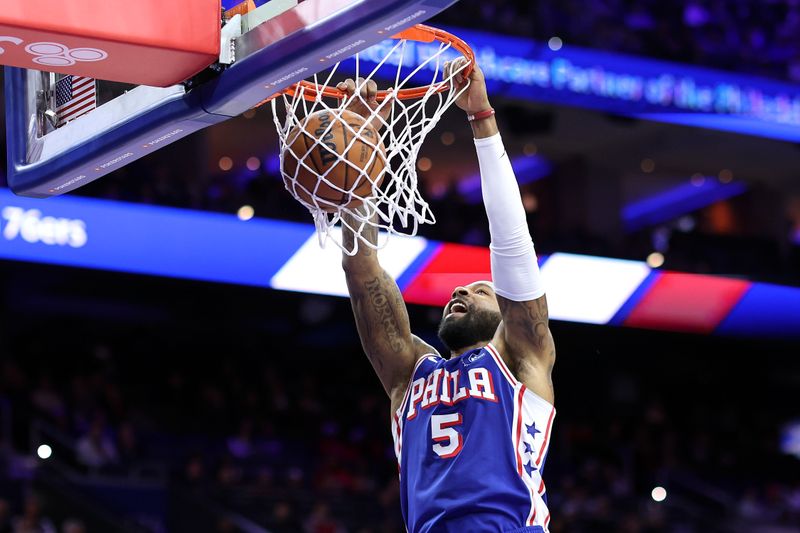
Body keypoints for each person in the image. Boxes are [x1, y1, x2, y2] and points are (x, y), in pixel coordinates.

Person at [339, 58, 557, 532]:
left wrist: (482, 118)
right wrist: (361, 152)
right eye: (462, 287)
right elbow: (362, 272)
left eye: (481, 290)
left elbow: (515, 252)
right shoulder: (410, 374)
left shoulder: (520, 360)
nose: (462, 288)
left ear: (506, 315)